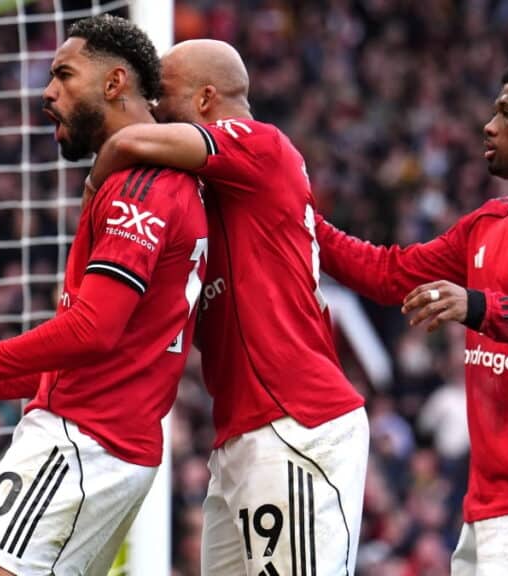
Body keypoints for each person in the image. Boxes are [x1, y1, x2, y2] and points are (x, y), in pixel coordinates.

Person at [0, 15, 207, 576]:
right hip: (111, 442)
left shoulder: (138, 189)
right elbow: (123, 346)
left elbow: (92, 331)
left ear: (114, 83)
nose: (48, 92)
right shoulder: (165, 183)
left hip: (81, 439)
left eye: (64, 75)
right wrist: (2, 382)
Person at [315, 53, 508, 575]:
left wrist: (477, 305)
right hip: (490, 501)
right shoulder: (487, 223)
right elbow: (390, 272)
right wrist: (296, 217)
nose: (490, 125)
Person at [88, 39, 369, 576]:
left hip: (292, 422)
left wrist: (95, 183)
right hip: (242, 434)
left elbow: (130, 139)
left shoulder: (260, 143)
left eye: (163, 93)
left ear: (205, 100)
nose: (153, 107)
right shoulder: (212, 199)